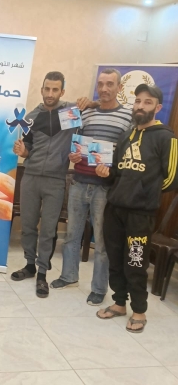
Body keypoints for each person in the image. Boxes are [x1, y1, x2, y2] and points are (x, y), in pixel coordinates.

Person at [96, 84, 178, 332]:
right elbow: (116, 174)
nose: (141, 106)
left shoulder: (167, 138)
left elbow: (172, 178)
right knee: (115, 259)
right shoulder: (126, 136)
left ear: (158, 107)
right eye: (138, 101)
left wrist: (144, 192)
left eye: (147, 102)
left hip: (140, 214)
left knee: (135, 261)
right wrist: (106, 174)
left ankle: (139, 310)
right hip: (115, 209)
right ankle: (119, 303)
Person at [50, 68, 133, 305]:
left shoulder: (127, 115)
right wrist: (73, 156)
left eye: (110, 84)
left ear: (119, 88)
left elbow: (127, 153)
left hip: (105, 188)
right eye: (101, 84)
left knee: (103, 242)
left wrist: (112, 168)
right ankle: (69, 276)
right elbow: (71, 139)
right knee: (72, 235)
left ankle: (98, 288)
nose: (104, 88)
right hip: (78, 182)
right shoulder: (85, 112)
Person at [12, 71, 97, 298]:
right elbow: (28, 149)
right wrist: (23, 151)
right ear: (42, 90)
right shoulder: (31, 117)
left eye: (55, 89)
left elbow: (98, 106)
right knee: (28, 225)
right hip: (30, 177)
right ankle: (30, 265)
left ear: (62, 91)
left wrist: (89, 102)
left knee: (48, 230)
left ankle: (42, 273)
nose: (50, 93)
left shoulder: (70, 112)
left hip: (56, 180)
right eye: (47, 89)